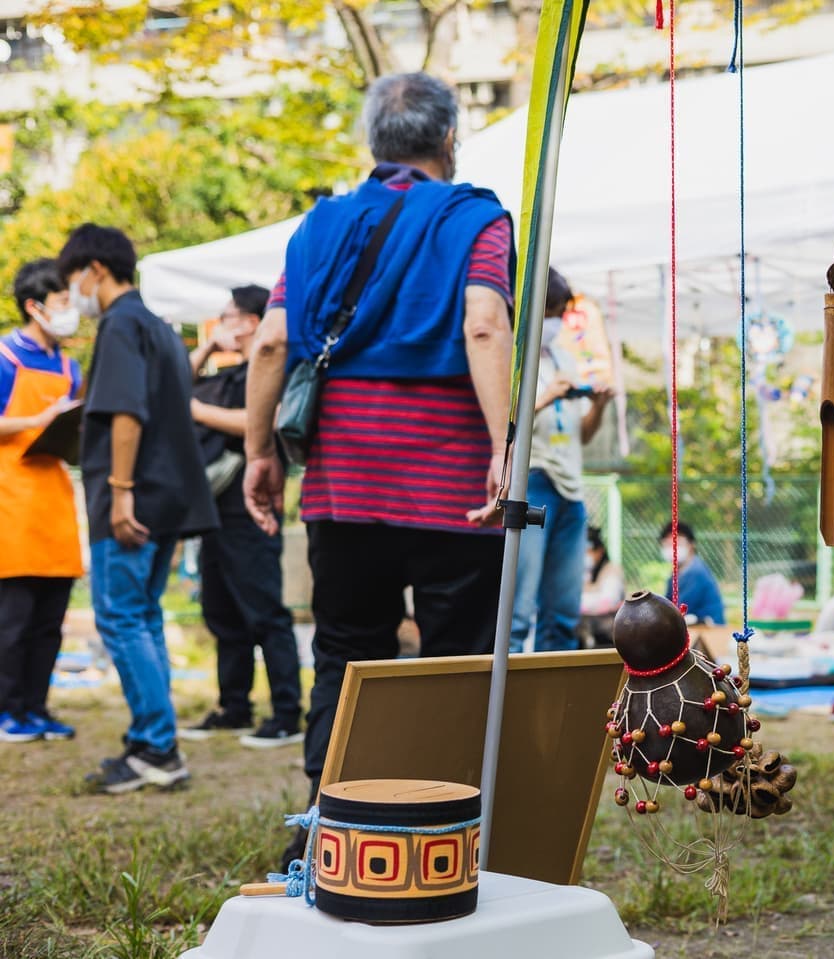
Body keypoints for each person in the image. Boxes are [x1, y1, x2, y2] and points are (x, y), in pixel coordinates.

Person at [242, 73, 515, 844]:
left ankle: (326, 829)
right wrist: (503, 445)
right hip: (455, 488)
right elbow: (484, 324)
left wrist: (260, 453)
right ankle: (449, 831)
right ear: (449, 138)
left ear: (374, 142)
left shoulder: (318, 224)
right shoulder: (477, 218)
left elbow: (270, 342)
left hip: (344, 484)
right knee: (458, 660)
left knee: (345, 652)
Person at [63, 224, 218, 793]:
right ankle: (154, 740)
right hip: (169, 493)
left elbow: (125, 412)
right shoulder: (161, 327)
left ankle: (156, 746)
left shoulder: (121, 323)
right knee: (144, 616)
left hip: (132, 497)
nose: (73, 292)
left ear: (94, 270)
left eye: (72, 278)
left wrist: (121, 489)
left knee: (121, 617)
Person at [182, 285, 303, 747]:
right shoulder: (228, 373)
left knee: (265, 611)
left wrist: (199, 411)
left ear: (252, 320)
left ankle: (287, 713)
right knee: (221, 611)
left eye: (228, 315)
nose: (222, 322)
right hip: (213, 509)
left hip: (252, 507)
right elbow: (175, 388)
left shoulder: (276, 368)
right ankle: (234, 707)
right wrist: (209, 347)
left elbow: (263, 419)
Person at [0, 259, 84, 743]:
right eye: (62, 302)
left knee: (49, 622)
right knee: (12, 621)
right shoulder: (5, 356)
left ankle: (37, 707)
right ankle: (8, 711)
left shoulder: (70, 366)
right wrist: (38, 419)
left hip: (55, 500)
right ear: (34, 307)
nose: (71, 310)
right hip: (10, 501)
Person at [510, 268, 612, 652]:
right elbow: (504, 426)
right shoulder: (512, 357)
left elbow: (581, 434)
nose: (554, 322)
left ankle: (555, 685)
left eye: (559, 313)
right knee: (518, 610)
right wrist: (546, 396)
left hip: (571, 491)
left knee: (564, 611)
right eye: (549, 312)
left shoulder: (565, 358)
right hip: (533, 481)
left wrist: (599, 405)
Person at [659, 521, 725, 625]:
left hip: (709, 628)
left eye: (677, 542)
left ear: (691, 545)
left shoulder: (696, 572)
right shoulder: (676, 574)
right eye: (667, 543)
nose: (672, 547)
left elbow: (677, 610)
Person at [579, 525, 625, 647]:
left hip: (608, 637)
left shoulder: (611, 570)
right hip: (585, 633)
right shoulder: (584, 573)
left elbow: (608, 601)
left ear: (599, 551)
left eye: (588, 551)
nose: (583, 556)